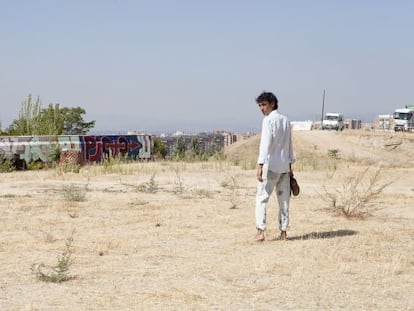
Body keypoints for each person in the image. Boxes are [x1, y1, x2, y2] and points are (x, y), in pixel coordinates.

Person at [251, 91, 296, 242]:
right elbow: (289, 144)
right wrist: (290, 164)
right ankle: (283, 233)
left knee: (261, 199)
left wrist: (260, 165)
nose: (261, 108)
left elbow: (265, 144)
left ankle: (260, 232)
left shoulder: (268, 121)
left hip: (270, 166)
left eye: (263, 104)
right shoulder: (285, 120)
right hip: (284, 166)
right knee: (284, 202)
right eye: (259, 105)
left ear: (272, 104)